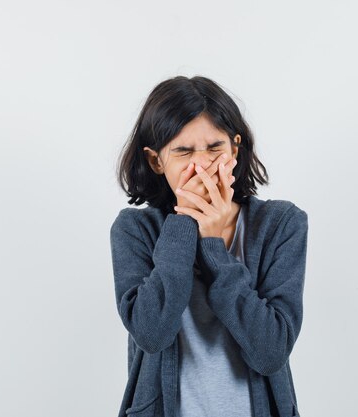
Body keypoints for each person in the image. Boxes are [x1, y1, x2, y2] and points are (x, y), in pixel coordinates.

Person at [110, 75, 309, 417]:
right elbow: (151, 332)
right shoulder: (134, 229)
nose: (201, 165)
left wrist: (215, 246)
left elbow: (271, 352)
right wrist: (185, 220)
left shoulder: (281, 224)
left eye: (215, 147)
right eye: (183, 151)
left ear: (235, 147)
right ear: (157, 161)